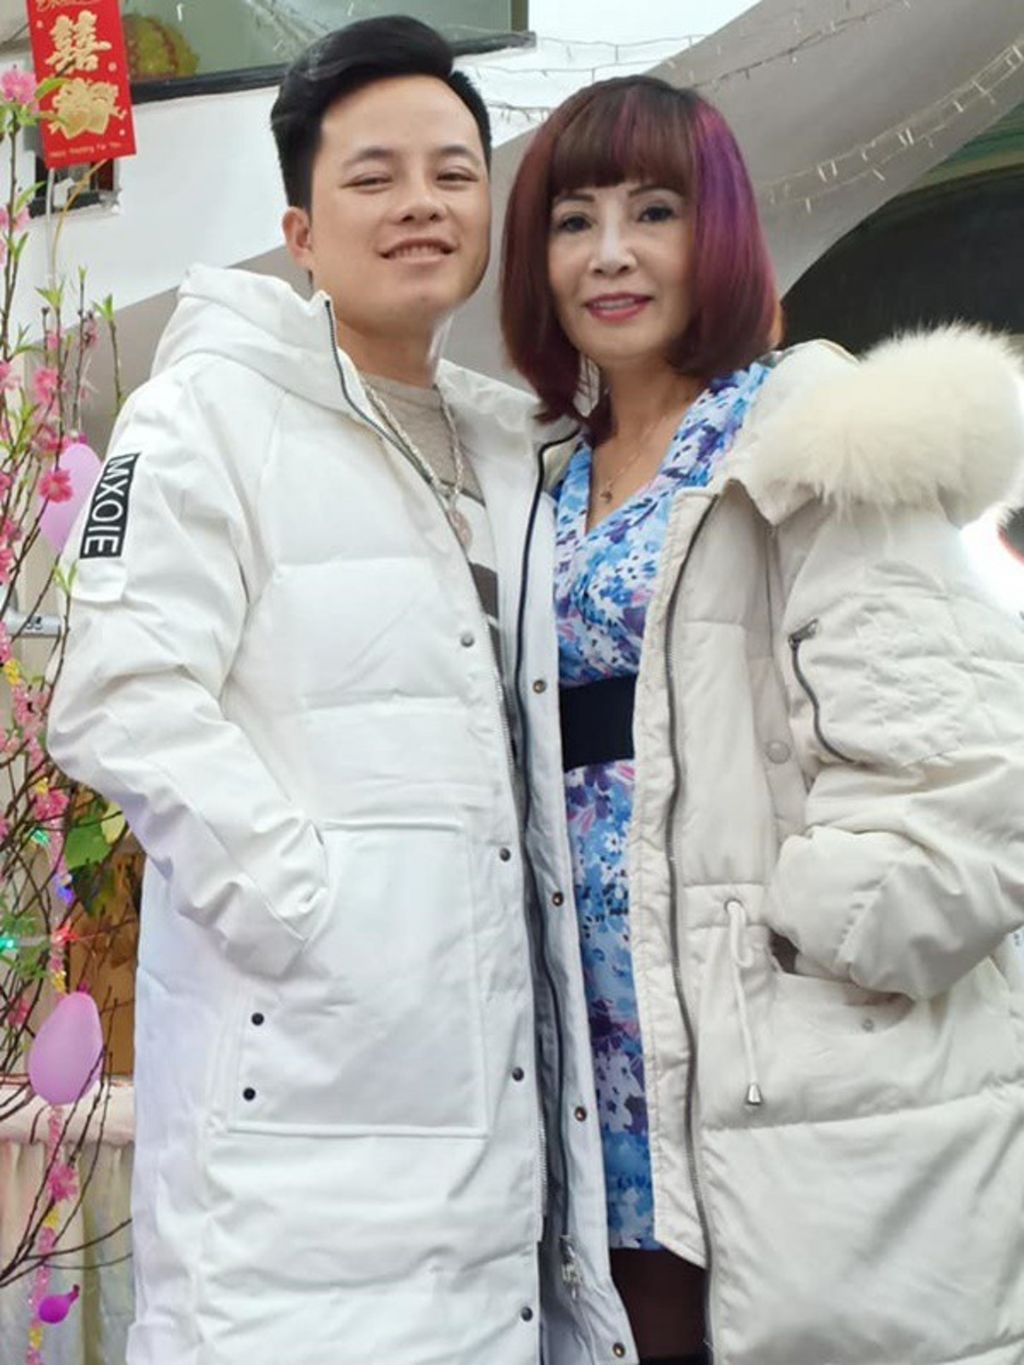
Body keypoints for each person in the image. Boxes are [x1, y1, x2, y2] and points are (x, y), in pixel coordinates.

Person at [47, 19, 635, 1365]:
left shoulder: (513, 446)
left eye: (452, 171)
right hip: (298, 1130)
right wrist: (314, 911)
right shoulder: (202, 415)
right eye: (375, 176)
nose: (420, 202)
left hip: (489, 1133)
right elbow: (118, 693)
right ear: (302, 233)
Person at [501, 75, 1024, 1365]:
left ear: (722, 233)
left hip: (784, 1051)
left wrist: (809, 934)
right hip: (597, 1069)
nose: (611, 252)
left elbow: (965, 767)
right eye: (573, 219)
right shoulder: (540, 485)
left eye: (655, 211)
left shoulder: (814, 443)